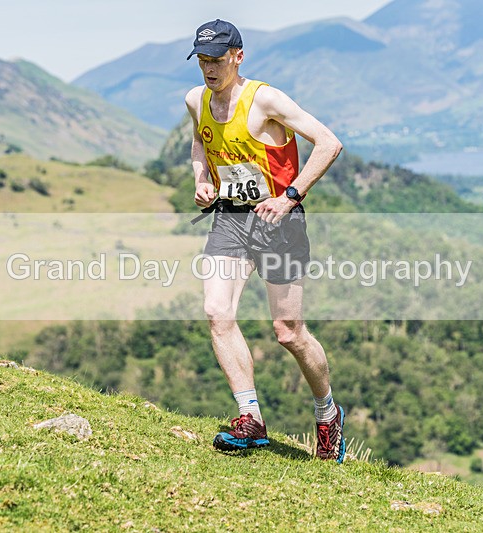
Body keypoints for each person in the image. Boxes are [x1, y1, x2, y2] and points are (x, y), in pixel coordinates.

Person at [184, 19, 346, 463]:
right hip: (232, 219)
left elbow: (329, 143)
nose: (209, 69)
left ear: (238, 56)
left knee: (288, 332)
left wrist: (291, 196)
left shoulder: (265, 99)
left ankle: (327, 413)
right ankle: (250, 418)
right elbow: (201, 144)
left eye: (217, 59)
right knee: (217, 312)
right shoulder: (196, 100)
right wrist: (202, 179)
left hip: (279, 224)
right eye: (202, 60)